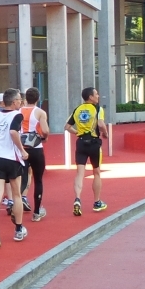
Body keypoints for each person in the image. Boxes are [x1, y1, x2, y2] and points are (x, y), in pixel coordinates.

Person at [0, 88, 28, 248]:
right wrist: (22, 150)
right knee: (16, 195)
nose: (21, 102)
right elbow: (14, 132)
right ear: (14, 101)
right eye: (19, 100)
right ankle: (18, 229)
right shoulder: (17, 115)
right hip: (12, 159)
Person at [63, 87, 109, 216]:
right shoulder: (98, 108)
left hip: (81, 143)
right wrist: (105, 133)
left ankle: (77, 199)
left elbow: (67, 127)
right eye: (96, 94)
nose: (98, 96)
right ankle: (97, 202)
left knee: (80, 173)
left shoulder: (77, 109)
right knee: (96, 172)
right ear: (90, 97)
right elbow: (100, 124)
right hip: (94, 143)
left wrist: (77, 132)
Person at [18, 87, 50, 222]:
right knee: (38, 180)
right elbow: (46, 130)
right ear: (37, 99)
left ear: (25, 99)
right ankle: (36, 212)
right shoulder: (40, 113)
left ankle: (15, 209)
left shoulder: (17, 111)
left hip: (21, 148)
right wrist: (44, 137)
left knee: (20, 179)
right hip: (36, 147)